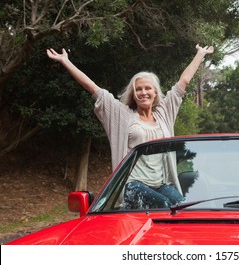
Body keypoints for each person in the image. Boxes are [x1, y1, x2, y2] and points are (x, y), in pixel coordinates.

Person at [47, 44, 214, 209]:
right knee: (164, 207)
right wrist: (65, 61)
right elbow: (94, 89)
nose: (143, 92)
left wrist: (200, 54)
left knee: (184, 209)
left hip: (160, 184)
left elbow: (183, 82)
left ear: (155, 93)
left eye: (148, 88)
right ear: (133, 94)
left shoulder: (164, 113)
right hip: (132, 186)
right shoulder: (123, 116)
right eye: (138, 89)